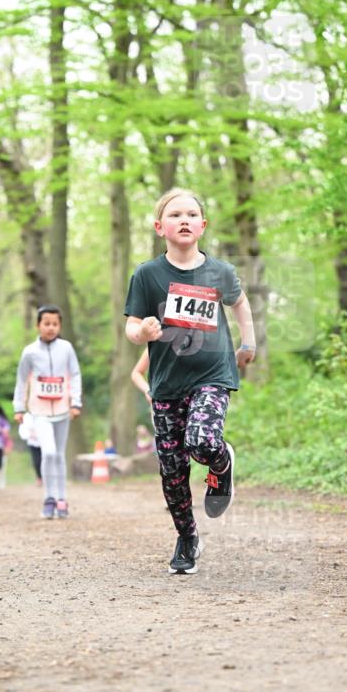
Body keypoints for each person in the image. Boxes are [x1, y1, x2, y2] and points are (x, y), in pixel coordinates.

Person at [124, 187, 255, 575]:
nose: (184, 219)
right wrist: (142, 333)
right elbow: (131, 325)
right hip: (166, 383)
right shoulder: (148, 275)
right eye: (175, 214)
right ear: (159, 226)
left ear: (202, 225)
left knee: (202, 440)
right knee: (172, 469)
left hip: (212, 374)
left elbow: (240, 302)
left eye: (191, 214)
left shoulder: (220, 272)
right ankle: (187, 537)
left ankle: (220, 463)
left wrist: (248, 341)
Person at [13, 305, 82, 519]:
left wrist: (75, 402)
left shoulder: (67, 348)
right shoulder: (30, 352)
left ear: (59, 325)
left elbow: (75, 374)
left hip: (63, 409)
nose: (51, 328)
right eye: (46, 324)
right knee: (49, 451)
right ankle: (48, 497)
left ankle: (61, 499)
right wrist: (19, 407)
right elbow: (22, 380)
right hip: (39, 411)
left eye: (55, 324)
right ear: (38, 325)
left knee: (59, 455)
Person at [18, 411, 42, 485]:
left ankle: (47, 477)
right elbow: (22, 430)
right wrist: (30, 434)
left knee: (46, 460)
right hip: (33, 443)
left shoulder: (42, 414)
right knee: (36, 462)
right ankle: (39, 477)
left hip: (43, 442)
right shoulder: (26, 416)